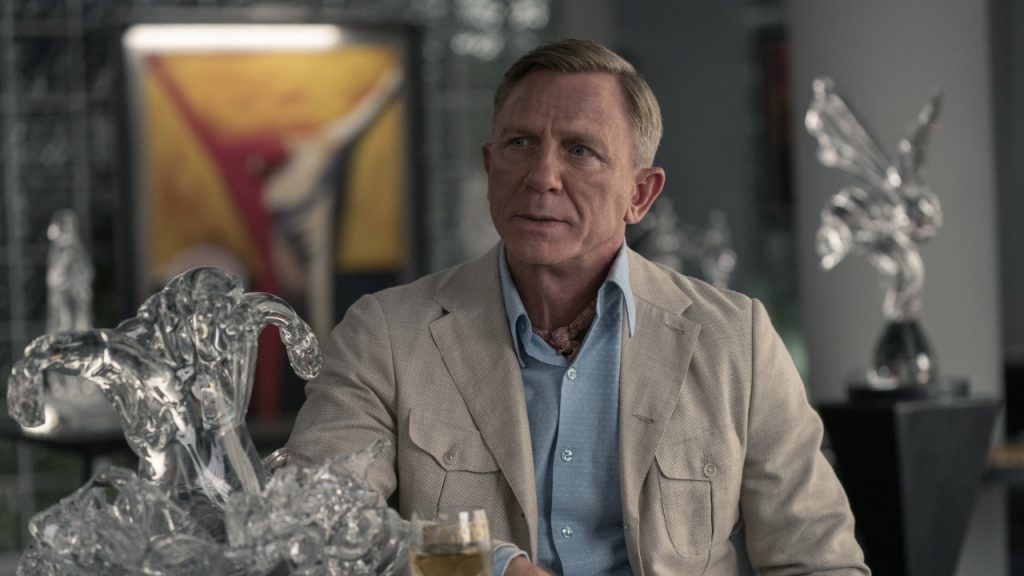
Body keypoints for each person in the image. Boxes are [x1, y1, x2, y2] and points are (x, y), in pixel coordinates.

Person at [287, 38, 869, 576]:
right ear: (490, 169)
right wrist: (486, 568)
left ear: (640, 194)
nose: (542, 176)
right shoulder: (387, 335)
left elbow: (818, 560)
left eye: (581, 150)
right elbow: (317, 524)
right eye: (520, 144)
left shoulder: (735, 340)